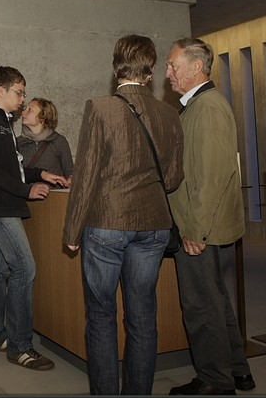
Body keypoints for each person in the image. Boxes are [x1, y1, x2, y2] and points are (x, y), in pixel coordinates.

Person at [62, 35, 184, 395]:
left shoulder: (100, 108)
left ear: (116, 66)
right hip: (154, 226)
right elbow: (173, 178)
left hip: (108, 223)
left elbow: (86, 174)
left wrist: (72, 230)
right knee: (142, 316)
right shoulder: (169, 113)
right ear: (151, 69)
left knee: (101, 315)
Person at [164, 37, 255, 395]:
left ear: (197, 67)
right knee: (215, 299)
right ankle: (237, 371)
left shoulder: (208, 108)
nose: (168, 73)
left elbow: (212, 176)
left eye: (173, 65)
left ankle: (215, 381)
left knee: (201, 305)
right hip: (205, 226)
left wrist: (195, 230)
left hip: (202, 227)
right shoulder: (197, 106)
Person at [0, 65, 69, 371]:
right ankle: (20, 347)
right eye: (19, 92)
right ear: (1, 91)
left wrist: (41, 174)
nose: (23, 98)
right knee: (25, 268)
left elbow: (13, 167)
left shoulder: (3, 123)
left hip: (5, 206)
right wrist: (26, 189)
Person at [17, 97, 74, 181]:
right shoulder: (17, 142)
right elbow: (13, 174)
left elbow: (70, 172)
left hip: (52, 190)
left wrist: (70, 180)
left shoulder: (58, 141)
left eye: (30, 110)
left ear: (43, 116)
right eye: (25, 109)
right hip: (27, 190)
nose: (23, 112)